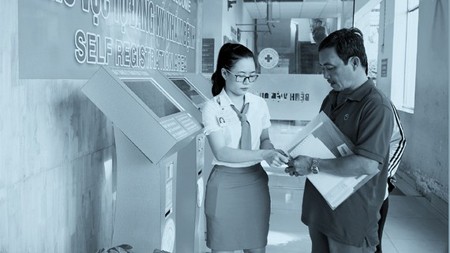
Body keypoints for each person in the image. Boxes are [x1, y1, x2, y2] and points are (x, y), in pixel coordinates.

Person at [286, 27, 394, 253]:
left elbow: (367, 164)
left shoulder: (375, 106)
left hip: (350, 220)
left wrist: (311, 164)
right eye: (323, 69)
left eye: (330, 68)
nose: (325, 76)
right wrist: (300, 161)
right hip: (321, 210)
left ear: (355, 62)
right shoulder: (333, 96)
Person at [201, 42, 289, 253]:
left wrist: (272, 152)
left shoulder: (259, 104)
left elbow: (265, 138)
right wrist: (263, 153)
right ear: (224, 72)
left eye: (252, 75)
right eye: (241, 76)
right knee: (223, 246)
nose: (247, 81)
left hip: (255, 183)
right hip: (224, 185)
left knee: (256, 247)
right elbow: (221, 151)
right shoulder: (212, 107)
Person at [376, 103, 406, 253]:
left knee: (372, 244)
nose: (326, 77)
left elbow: (399, 141)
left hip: (374, 191)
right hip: (340, 192)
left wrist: (384, 174)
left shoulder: (381, 103)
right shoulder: (334, 100)